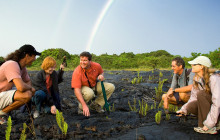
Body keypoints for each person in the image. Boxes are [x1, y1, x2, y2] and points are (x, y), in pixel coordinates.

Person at [177, 56, 220, 134]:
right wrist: (184, 109)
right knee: (191, 106)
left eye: (194, 64)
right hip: (212, 107)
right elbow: (193, 97)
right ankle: (213, 123)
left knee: (202, 94)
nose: (192, 66)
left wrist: (209, 123)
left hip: (218, 106)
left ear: (201, 66)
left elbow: (217, 102)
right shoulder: (197, 79)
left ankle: (210, 126)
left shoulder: (214, 78)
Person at [0, 44, 40, 124]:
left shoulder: (22, 67)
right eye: (34, 56)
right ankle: (2, 113)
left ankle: (4, 112)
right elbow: (21, 87)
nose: (35, 59)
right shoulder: (12, 64)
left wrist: (29, 88)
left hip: (3, 93)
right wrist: (29, 88)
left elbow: (28, 82)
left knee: (30, 92)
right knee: (26, 95)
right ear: (27, 55)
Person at [71, 51, 115, 117]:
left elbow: (101, 72)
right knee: (89, 93)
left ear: (90, 61)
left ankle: (96, 105)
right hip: (83, 87)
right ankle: (81, 108)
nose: (82, 62)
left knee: (111, 87)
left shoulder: (97, 66)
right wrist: (84, 105)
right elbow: (76, 90)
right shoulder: (77, 71)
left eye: (85, 60)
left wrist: (101, 76)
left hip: (94, 85)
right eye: (81, 60)